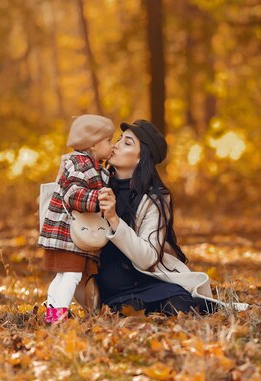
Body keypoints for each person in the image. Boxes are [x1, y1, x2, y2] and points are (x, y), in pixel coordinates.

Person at [95, 119, 247, 315]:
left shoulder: (155, 198)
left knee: (181, 307)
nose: (115, 145)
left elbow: (147, 258)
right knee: (127, 314)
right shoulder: (96, 183)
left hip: (149, 282)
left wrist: (114, 219)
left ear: (141, 158)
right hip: (113, 292)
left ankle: (229, 309)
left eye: (127, 142)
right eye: (119, 139)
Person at [38, 114, 114, 323]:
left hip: (64, 234)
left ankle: (52, 314)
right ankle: (57, 317)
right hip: (68, 235)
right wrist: (97, 199)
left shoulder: (88, 163)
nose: (112, 145)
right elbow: (72, 194)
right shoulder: (82, 165)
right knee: (71, 276)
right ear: (93, 144)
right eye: (109, 141)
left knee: (62, 276)